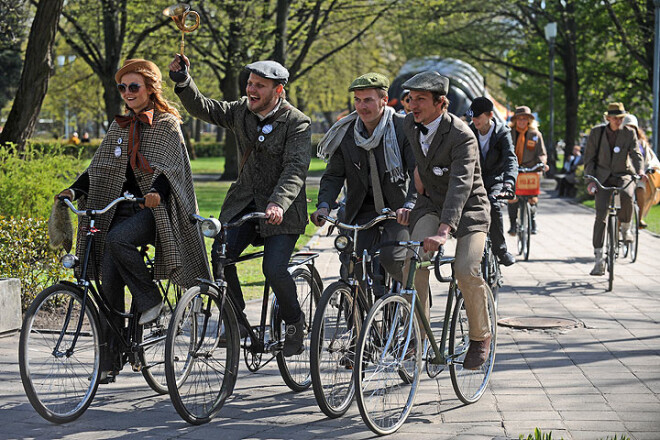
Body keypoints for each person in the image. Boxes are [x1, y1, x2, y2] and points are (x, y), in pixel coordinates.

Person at [56, 58, 209, 381]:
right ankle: (114, 358)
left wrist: (155, 191)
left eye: (134, 86)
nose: (127, 92)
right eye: (122, 87)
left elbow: (170, 168)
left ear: (151, 88)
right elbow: (97, 170)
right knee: (108, 281)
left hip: (155, 211)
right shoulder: (119, 126)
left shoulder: (166, 124)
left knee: (117, 240)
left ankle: (150, 298)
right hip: (116, 209)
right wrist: (73, 190)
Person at [169, 55, 311, 356]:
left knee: (273, 269)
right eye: (250, 84)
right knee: (221, 255)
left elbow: (295, 169)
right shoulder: (239, 111)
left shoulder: (297, 123)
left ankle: (295, 322)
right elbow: (203, 108)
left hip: (280, 213)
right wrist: (183, 81)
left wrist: (278, 203)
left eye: (260, 85)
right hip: (243, 204)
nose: (252, 90)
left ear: (278, 91)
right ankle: (236, 320)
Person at [401, 71, 492, 370]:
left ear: (442, 103)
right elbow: (416, 164)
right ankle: (418, 333)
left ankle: (481, 336)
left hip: (469, 210)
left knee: (465, 269)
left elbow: (460, 185)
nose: (413, 106)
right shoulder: (410, 125)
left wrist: (444, 231)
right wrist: (412, 195)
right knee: (413, 262)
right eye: (411, 99)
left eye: (421, 100)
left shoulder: (462, 135)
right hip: (430, 204)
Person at [312, 73, 416, 294]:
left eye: (368, 100)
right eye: (357, 100)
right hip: (361, 209)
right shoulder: (346, 132)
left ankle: (407, 297)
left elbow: (417, 172)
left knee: (390, 257)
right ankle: (362, 318)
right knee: (355, 264)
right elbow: (333, 175)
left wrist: (410, 204)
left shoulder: (403, 127)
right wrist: (324, 205)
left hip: (398, 208)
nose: (361, 106)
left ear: (384, 100)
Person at [584, 102, 643, 276]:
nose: (618, 121)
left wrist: (639, 170)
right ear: (607, 118)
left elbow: (636, 153)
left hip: (622, 174)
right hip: (601, 176)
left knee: (627, 194)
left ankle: (625, 227)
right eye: (615, 118)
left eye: (621, 118)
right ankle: (598, 259)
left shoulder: (629, 133)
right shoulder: (597, 133)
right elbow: (589, 158)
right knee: (601, 215)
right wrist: (590, 181)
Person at [467, 97, 518, 266]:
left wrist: (509, 183)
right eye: (472, 117)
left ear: (489, 115)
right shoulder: (468, 132)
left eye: (478, 117)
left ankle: (501, 250)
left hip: (496, 179)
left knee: (493, 205)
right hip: (475, 179)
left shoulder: (503, 133)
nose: (474, 121)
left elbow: (511, 159)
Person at [507, 106, 548, 235]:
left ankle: (532, 220)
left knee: (532, 198)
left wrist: (542, 163)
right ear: (515, 120)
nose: (522, 121)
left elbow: (542, 153)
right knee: (512, 197)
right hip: (513, 169)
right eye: (519, 119)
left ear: (529, 120)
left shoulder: (535, 135)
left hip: (530, 170)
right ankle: (513, 224)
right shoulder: (509, 133)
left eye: (525, 119)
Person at [623, 114, 660, 229]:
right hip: (622, 175)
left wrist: (649, 168)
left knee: (640, 189)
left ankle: (639, 218)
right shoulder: (618, 142)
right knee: (622, 195)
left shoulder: (642, 144)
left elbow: (650, 158)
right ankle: (620, 222)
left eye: (632, 127)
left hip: (638, 175)